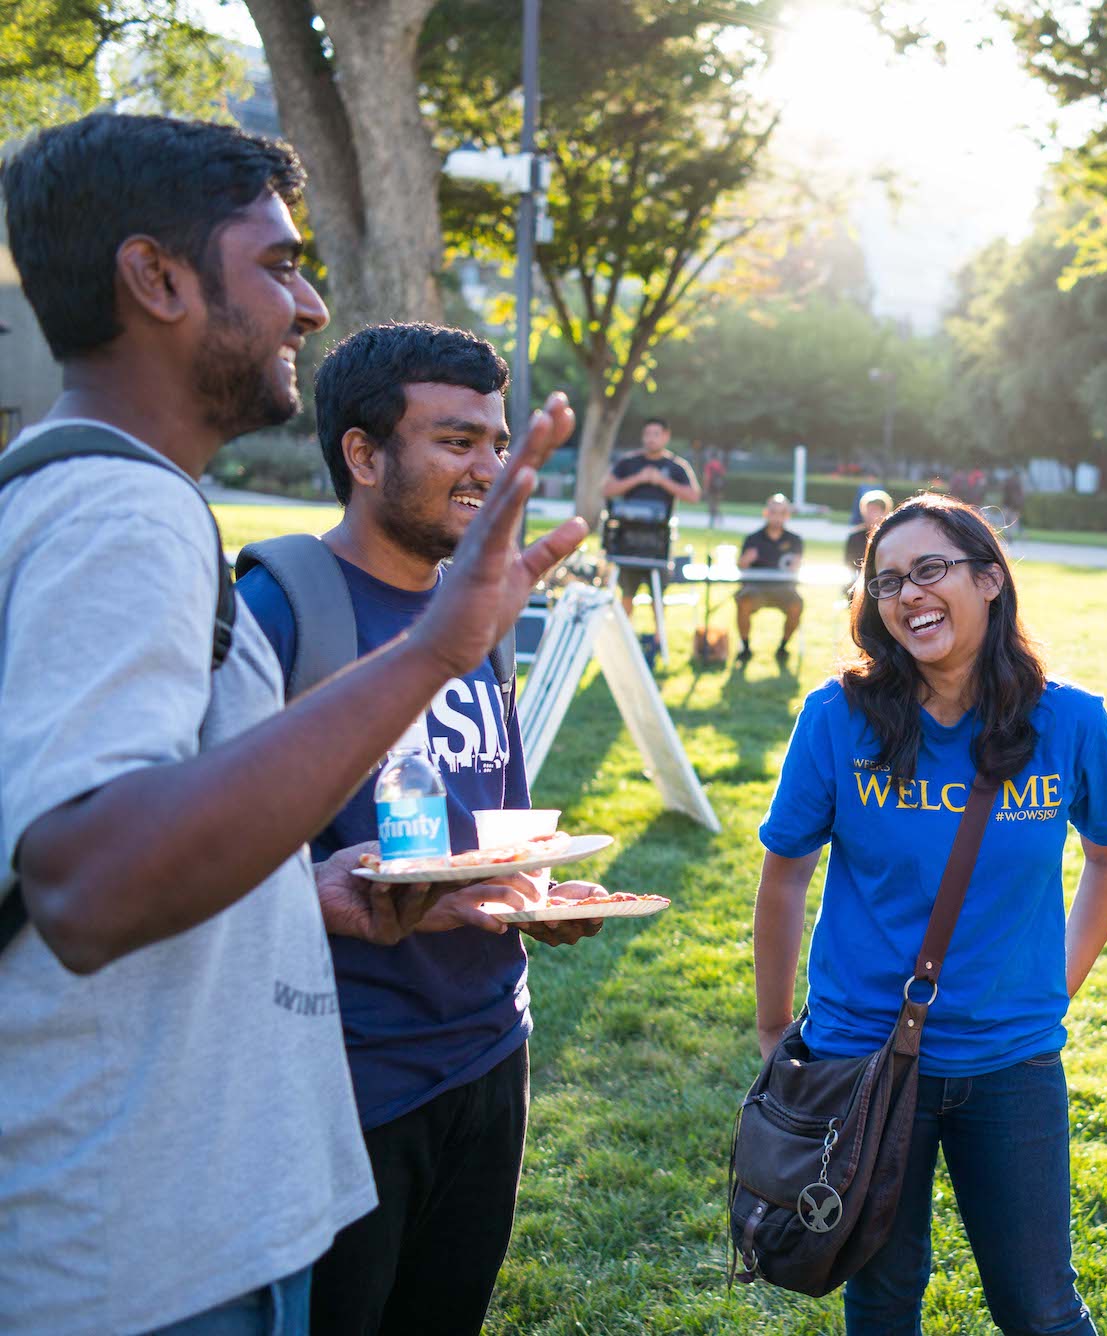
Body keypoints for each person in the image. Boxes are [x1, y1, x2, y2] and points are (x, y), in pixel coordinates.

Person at [0, 113, 583, 1335]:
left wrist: (304, 895)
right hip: (132, 1256)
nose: (310, 306)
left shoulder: (81, 501)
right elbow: (87, 874)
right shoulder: (124, 514)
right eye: (275, 264)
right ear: (154, 277)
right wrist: (436, 649)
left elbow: (119, 832)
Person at [235, 321, 610, 1334]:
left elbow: (485, 806)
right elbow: (193, 845)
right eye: (455, 441)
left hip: (491, 1047)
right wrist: (307, 894)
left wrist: (532, 892)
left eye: (495, 441)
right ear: (362, 455)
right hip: (346, 1075)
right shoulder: (278, 610)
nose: (487, 467)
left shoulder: (475, 607)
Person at [754, 493, 1107, 1334]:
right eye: (886, 579)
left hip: (1011, 1062)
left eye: (930, 569)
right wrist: (774, 1023)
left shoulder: (1070, 721)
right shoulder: (837, 718)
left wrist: (1056, 983)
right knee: (882, 1297)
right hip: (862, 1059)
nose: (907, 594)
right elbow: (784, 873)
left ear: (991, 579)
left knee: (1039, 1308)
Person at [603, 416, 699, 628]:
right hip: (628, 539)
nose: (650, 439)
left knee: (658, 595)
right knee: (627, 594)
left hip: (658, 541)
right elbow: (607, 489)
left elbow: (693, 495)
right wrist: (638, 479)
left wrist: (662, 481)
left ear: (666, 436)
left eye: (656, 434)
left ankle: (658, 640)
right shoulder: (628, 463)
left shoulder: (676, 466)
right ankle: (624, 638)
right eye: (647, 434)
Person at [735, 492, 806, 665]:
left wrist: (796, 566)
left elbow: (798, 567)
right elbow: (740, 566)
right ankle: (745, 648)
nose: (777, 517)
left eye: (781, 513)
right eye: (773, 512)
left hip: (784, 589)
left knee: (797, 605)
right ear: (766, 513)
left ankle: (783, 647)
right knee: (742, 601)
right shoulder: (753, 539)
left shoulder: (795, 540)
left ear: (787, 515)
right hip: (756, 588)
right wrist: (745, 561)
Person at [844, 486, 892, 595]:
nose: (873, 514)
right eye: (869, 510)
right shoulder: (854, 537)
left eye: (876, 510)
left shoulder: (892, 535)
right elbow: (849, 564)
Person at [703, 443, 727, 529]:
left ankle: (712, 522)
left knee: (711, 505)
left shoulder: (709, 465)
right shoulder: (719, 465)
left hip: (711, 488)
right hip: (718, 488)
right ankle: (719, 518)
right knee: (716, 504)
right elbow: (723, 476)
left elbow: (707, 478)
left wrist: (705, 489)